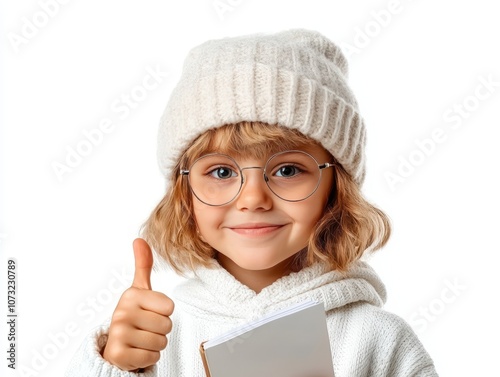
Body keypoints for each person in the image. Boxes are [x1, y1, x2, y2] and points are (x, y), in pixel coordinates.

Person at [65, 29, 438, 376]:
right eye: (222, 173)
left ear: (336, 188)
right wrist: (114, 366)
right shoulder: (153, 339)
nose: (254, 198)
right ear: (184, 192)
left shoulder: (380, 340)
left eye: (288, 170)